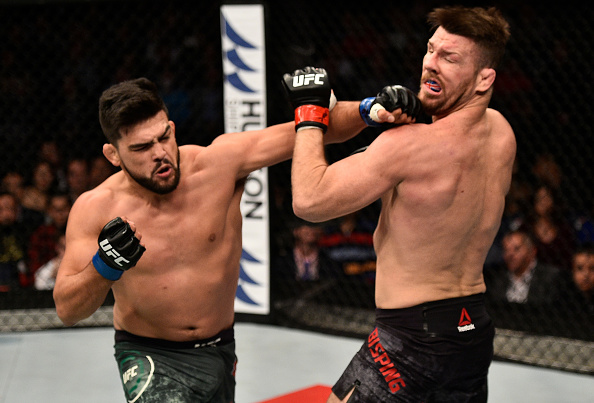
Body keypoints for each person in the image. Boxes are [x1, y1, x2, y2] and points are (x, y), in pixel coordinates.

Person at [52, 77, 377, 402]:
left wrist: (372, 109)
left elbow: (314, 128)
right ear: (113, 154)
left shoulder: (217, 165)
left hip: (219, 349)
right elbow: (67, 309)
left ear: (172, 127)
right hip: (147, 354)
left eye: (164, 136)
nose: (160, 153)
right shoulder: (95, 208)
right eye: (141, 148)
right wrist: (105, 265)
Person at [285, 6, 513, 402]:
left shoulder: (406, 147)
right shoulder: (501, 133)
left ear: (484, 78)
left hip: (411, 339)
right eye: (430, 50)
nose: (431, 64)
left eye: (450, 57)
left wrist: (309, 112)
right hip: (472, 334)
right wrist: (372, 111)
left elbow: (308, 199)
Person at [483, 229, 561, 305]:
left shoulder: (549, 277)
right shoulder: (495, 277)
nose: (510, 254)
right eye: (506, 250)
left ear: (532, 251)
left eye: (516, 249)